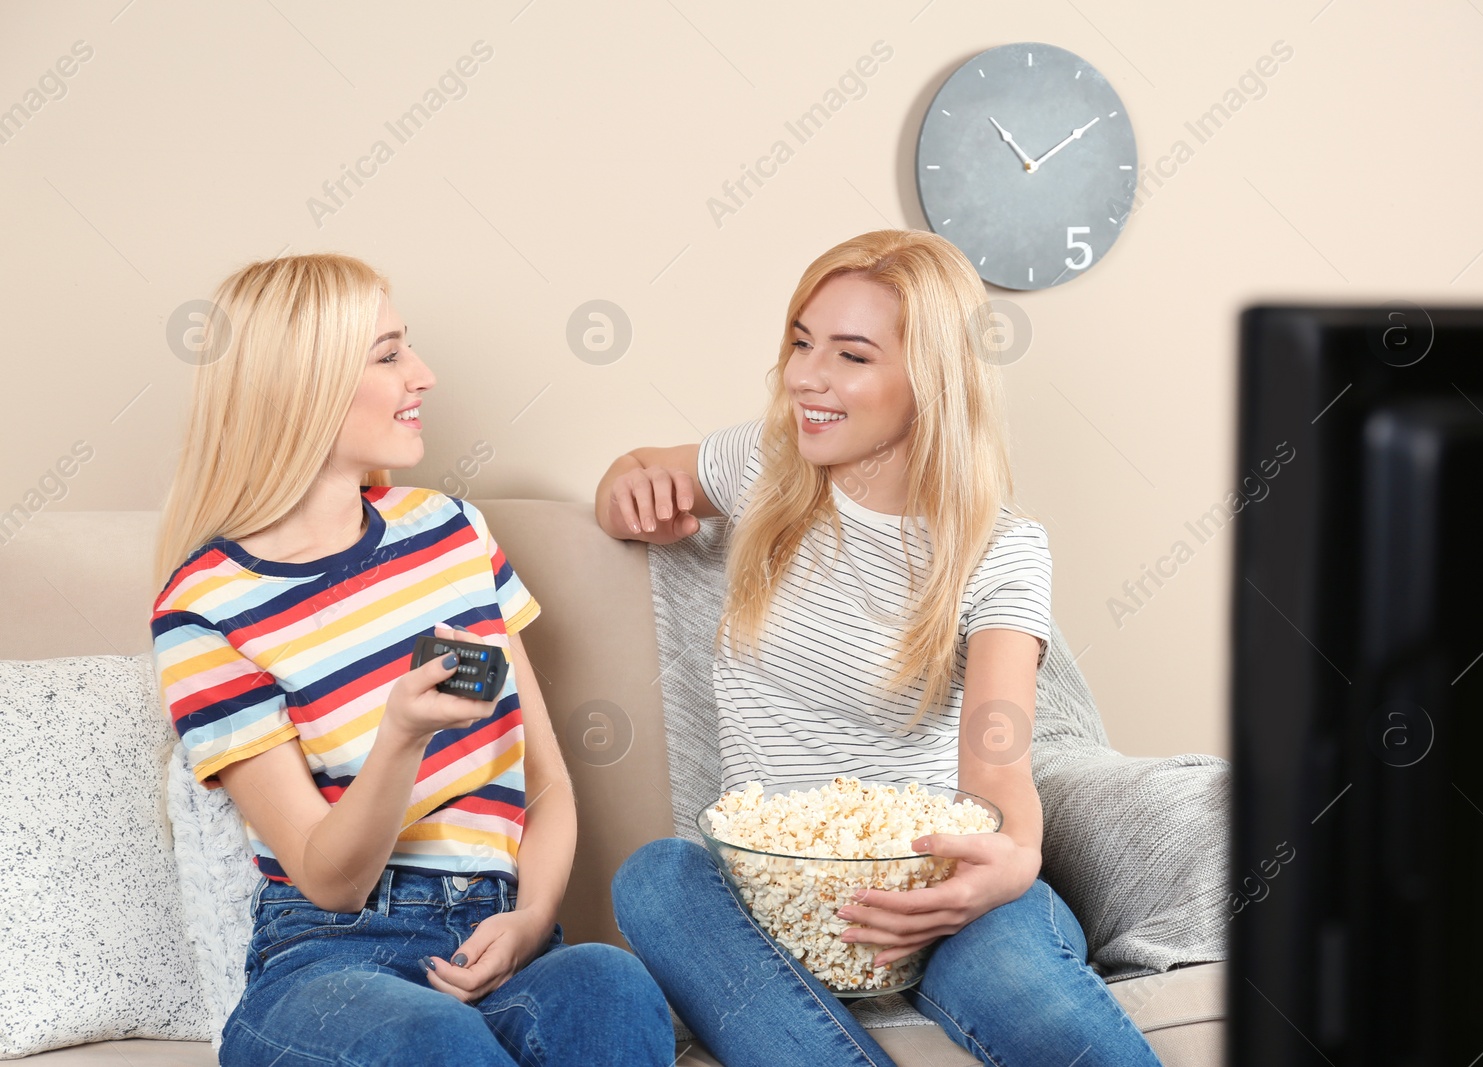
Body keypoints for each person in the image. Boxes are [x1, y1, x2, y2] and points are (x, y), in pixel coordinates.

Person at [598, 230, 1162, 1066]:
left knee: (1050, 1020)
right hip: (772, 897)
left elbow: (997, 762)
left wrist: (1009, 863)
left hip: (940, 894)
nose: (805, 377)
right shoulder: (765, 467)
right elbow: (634, 478)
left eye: (851, 355)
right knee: (655, 876)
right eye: (800, 341)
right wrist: (630, 488)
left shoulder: (998, 550)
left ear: (927, 381)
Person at [150, 253, 674, 1066]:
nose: (422, 375)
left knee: (609, 981)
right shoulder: (203, 606)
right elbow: (330, 880)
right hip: (328, 959)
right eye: (389, 354)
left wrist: (532, 918)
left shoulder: (450, 532)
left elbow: (547, 783)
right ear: (306, 384)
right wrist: (401, 733)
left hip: (496, 937)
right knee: (432, 1037)